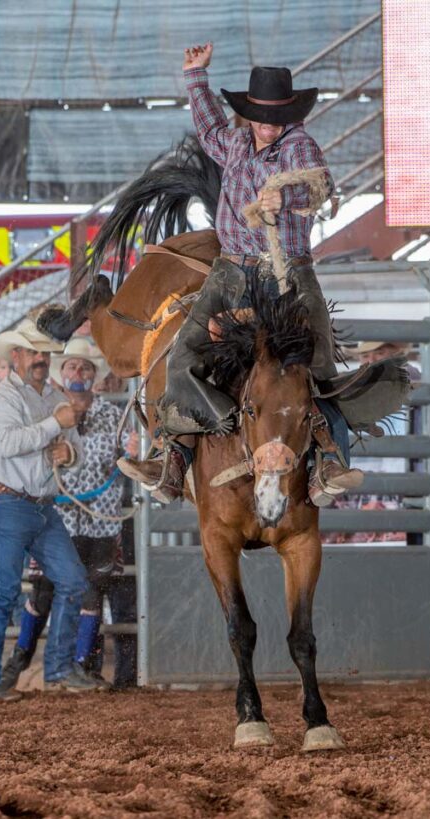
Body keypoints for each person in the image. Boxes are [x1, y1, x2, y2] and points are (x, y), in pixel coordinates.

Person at [117, 42, 362, 508]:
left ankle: (330, 461)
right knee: (182, 355)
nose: (269, 125)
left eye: (277, 117)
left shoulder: (299, 145)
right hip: (231, 270)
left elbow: (317, 184)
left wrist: (283, 199)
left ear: (290, 116)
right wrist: (195, 76)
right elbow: (209, 126)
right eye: (261, 116)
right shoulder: (235, 142)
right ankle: (174, 457)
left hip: (287, 272)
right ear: (248, 115)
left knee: (320, 365)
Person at [0, 337, 136, 690]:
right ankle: (21, 660)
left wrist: (136, 451)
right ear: (63, 373)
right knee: (43, 592)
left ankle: (83, 666)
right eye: (72, 366)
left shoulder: (112, 414)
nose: (78, 372)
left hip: (101, 519)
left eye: (85, 367)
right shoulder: (50, 413)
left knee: (92, 591)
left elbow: (130, 456)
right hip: (59, 517)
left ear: (95, 375)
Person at [0, 319, 97, 701]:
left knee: (73, 582)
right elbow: (10, 443)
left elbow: (74, 450)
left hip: (38, 504)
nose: (41, 358)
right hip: (11, 502)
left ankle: (57, 667)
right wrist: (53, 427)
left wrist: (69, 452)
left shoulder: (50, 399)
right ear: (16, 357)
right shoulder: (2, 399)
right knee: (3, 592)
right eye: (33, 352)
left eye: (44, 352)